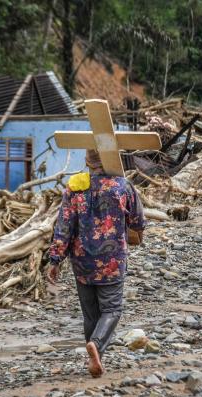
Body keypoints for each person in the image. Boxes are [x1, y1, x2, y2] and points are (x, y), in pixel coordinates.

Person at [46, 149, 145, 378]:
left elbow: (63, 227)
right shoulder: (122, 186)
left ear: (87, 163)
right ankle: (97, 346)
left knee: (90, 315)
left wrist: (55, 260)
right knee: (112, 308)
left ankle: (94, 356)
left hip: (81, 262)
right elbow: (138, 220)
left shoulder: (74, 188)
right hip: (111, 260)